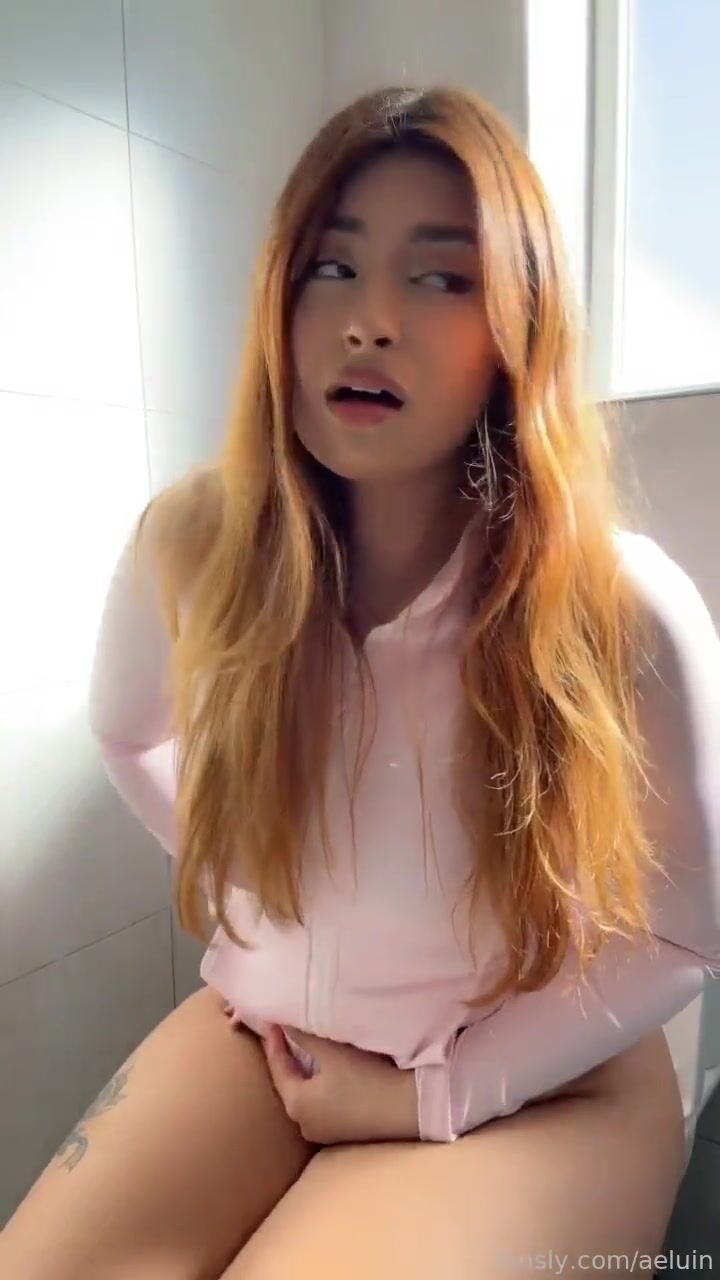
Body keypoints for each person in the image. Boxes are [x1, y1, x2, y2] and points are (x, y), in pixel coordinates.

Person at [2, 83, 719, 1280]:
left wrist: (434, 1095)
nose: (370, 320)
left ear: (519, 327)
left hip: (543, 1070)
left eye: (441, 278)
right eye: (332, 269)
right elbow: (128, 733)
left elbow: (686, 926)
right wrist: (261, 880)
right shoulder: (193, 543)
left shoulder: (618, 600)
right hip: (272, 1030)